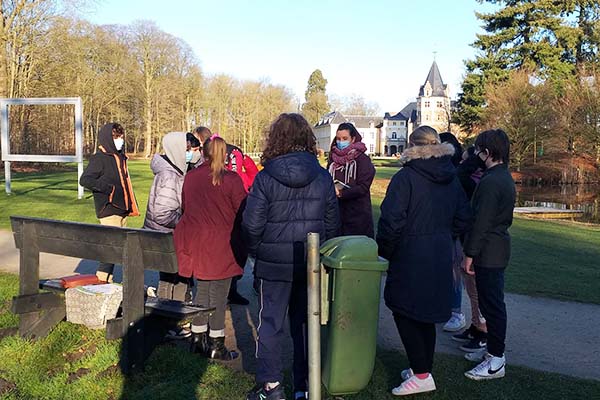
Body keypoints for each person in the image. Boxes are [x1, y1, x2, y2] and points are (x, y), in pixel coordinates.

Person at [243, 113, 339, 400]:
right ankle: (304, 385)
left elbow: (251, 224)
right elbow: (333, 223)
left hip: (274, 264)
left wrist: (256, 252)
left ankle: (272, 386)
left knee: (270, 324)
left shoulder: (265, 178)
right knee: (305, 325)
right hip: (309, 264)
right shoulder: (322, 177)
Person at [377, 126, 472, 396]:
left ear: (412, 145)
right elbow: (463, 217)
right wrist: (443, 236)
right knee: (424, 314)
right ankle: (422, 368)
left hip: (410, 253)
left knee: (404, 310)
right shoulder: (451, 178)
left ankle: (421, 373)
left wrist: (386, 249)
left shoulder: (406, 177)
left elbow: (391, 221)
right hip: (439, 252)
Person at [174, 135, 246, 360]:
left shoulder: (192, 177)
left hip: (196, 241)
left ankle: (197, 339)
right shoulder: (232, 179)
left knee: (202, 292)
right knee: (219, 295)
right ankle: (216, 343)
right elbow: (243, 210)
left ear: (203, 153)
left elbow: (185, 206)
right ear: (225, 154)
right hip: (223, 243)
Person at [463, 129, 515, 381]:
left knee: (492, 306)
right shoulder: (500, 176)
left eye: (479, 149)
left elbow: (481, 221)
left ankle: (496, 358)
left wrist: (469, 253)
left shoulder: (493, 181)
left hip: (489, 251)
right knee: (489, 303)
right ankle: (492, 351)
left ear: (489, 152)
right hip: (494, 248)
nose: (477, 153)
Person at [193, 126, 256, 306]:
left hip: (219, 220)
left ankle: (229, 291)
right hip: (219, 220)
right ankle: (214, 325)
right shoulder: (203, 174)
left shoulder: (231, 161)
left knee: (225, 258)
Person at [143, 132, 192, 340]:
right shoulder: (169, 175)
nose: (190, 153)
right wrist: (184, 224)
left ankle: (167, 322)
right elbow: (161, 213)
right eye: (188, 149)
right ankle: (167, 323)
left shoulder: (172, 171)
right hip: (166, 236)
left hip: (165, 235)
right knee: (172, 279)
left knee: (171, 279)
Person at [80, 122, 139, 282]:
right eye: (116, 137)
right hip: (108, 209)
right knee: (111, 249)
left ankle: (107, 281)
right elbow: (85, 179)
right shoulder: (100, 158)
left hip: (122, 209)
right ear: (108, 138)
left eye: (121, 137)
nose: (120, 140)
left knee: (116, 250)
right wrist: (108, 189)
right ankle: (101, 281)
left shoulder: (119, 157)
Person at [452, 146, 488, 353]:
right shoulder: (475, 178)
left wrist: (469, 161)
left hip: (475, 241)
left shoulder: (475, 180)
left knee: (476, 289)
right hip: (467, 238)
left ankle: (482, 331)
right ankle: (476, 326)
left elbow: (460, 174)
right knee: (471, 286)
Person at [438, 132, 467, 333]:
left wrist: (453, 230)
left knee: (453, 271)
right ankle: (446, 308)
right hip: (443, 229)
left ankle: (456, 312)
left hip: (452, 232)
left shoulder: (456, 175)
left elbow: (462, 209)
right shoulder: (449, 172)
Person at [327, 122, 376, 238]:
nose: (340, 142)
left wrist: (342, 193)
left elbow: (364, 186)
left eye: (344, 138)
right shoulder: (332, 159)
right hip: (336, 213)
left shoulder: (362, 159)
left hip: (357, 215)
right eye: (338, 138)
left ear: (353, 139)